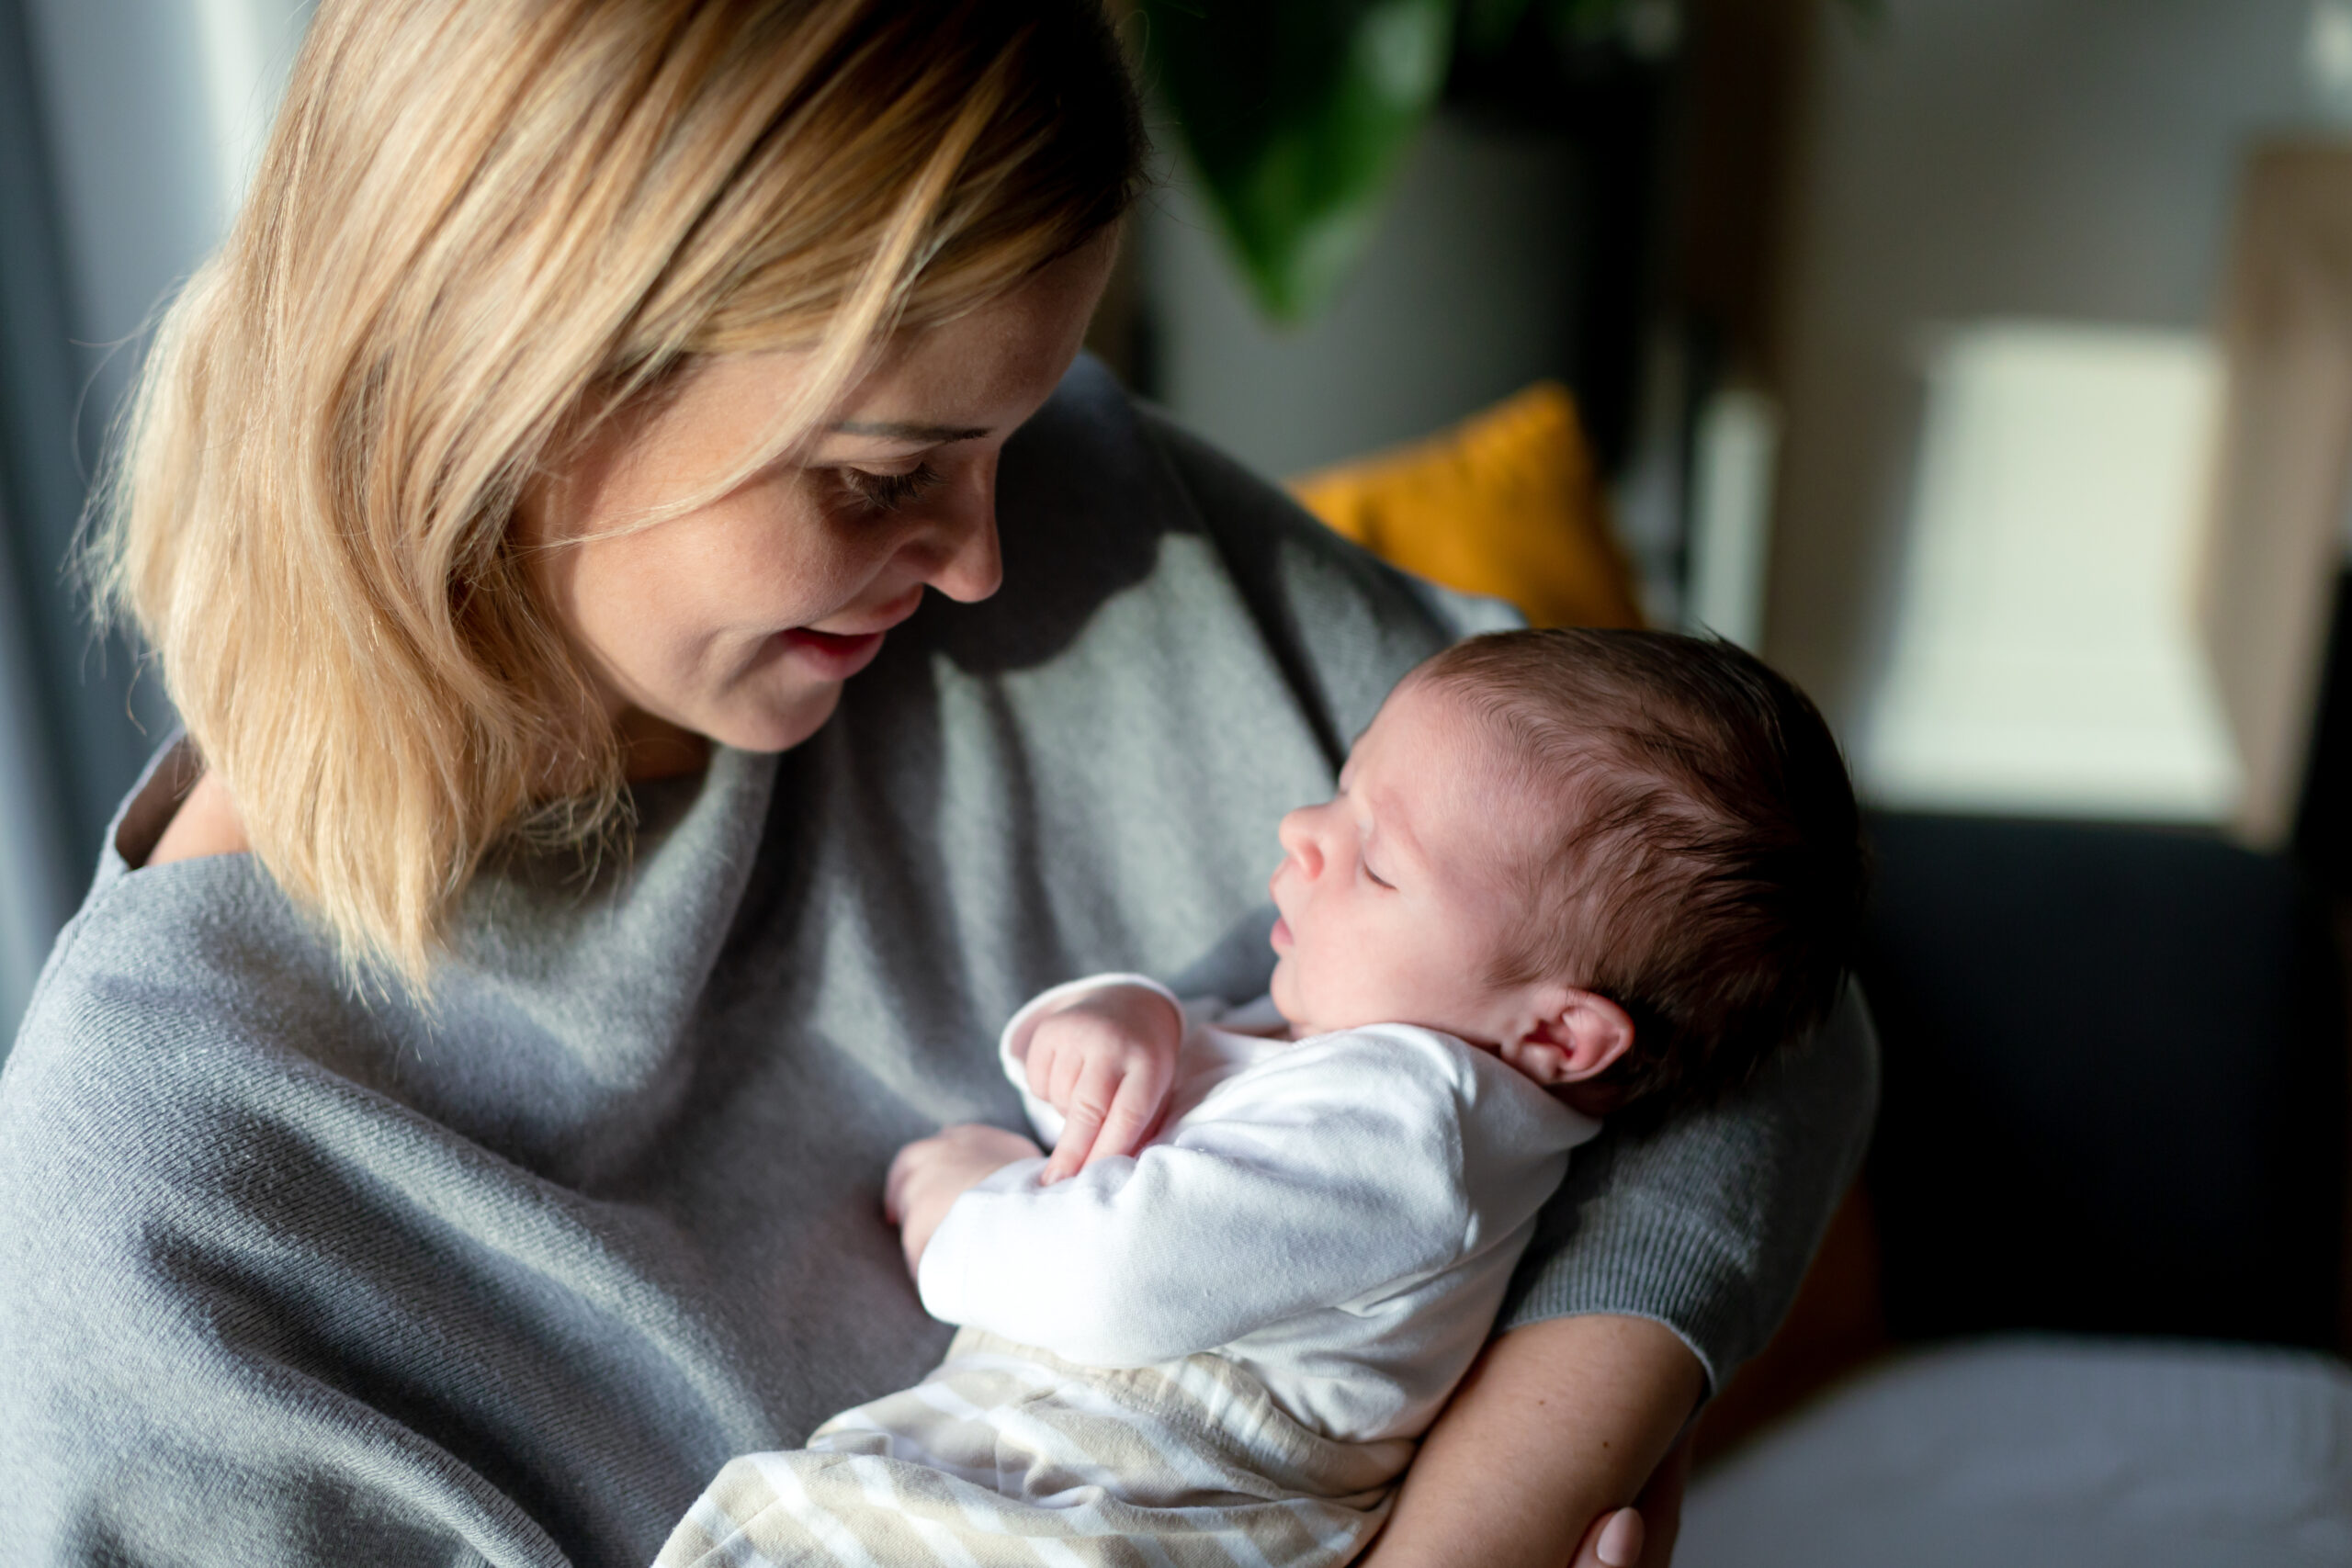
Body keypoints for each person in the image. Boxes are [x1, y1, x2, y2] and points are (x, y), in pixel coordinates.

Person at [0, 4, 1877, 1565]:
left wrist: (1482, 1514)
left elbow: (1737, 995)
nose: (978, 562)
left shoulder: (1067, 533)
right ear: (523, 372)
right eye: (880, 470)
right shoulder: (169, 1193)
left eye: (999, 438)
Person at [660, 628, 1868, 1566]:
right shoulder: (1359, 1055)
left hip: (1130, 1503)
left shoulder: (1412, 1129)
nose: (1302, 834)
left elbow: (1106, 1272)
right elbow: (1129, 1137)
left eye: (1378, 859)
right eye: (1341, 791)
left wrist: (966, 1205)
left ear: (1556, 1031)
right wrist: (1120, 1019)